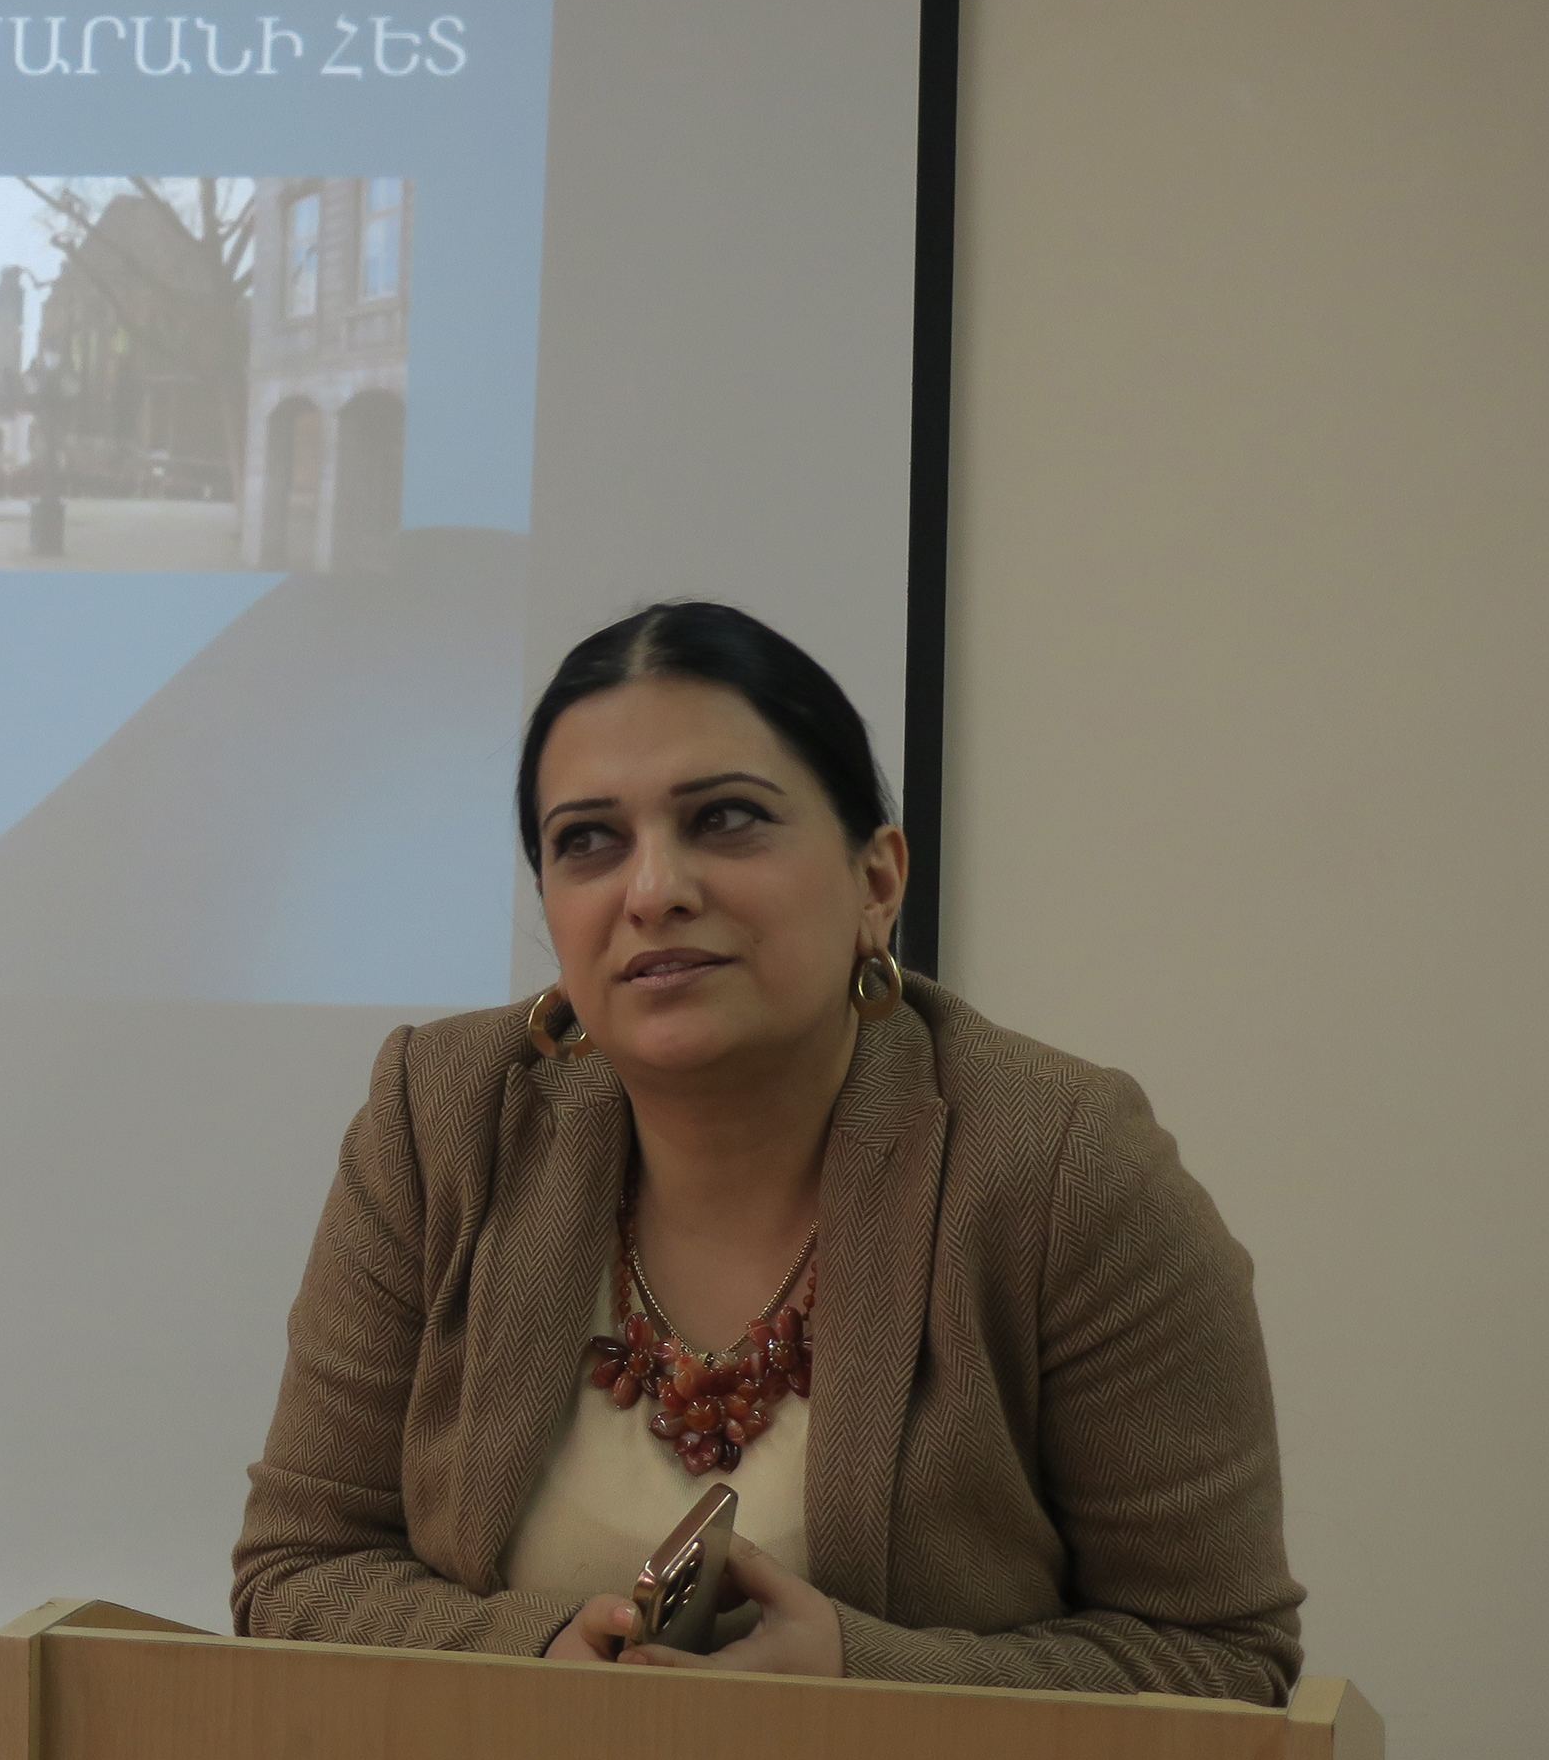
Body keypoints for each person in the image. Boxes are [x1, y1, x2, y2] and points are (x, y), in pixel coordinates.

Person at [231, 601, 1302, 1702]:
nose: (654, 891)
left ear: (876, 884)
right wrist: (535, 1662)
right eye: (588, 841)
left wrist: (862, 1683)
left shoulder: (1061, 1164)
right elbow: (300, 1570)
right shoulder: (442, 1121)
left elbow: (1220, 1661)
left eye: (727, 819)